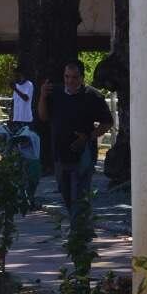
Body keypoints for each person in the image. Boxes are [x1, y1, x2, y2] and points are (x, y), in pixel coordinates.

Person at [36, 59, 114, 222]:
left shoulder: (93, 95)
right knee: (65, 192)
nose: (70, 81)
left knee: (80, 194)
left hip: (83, 154)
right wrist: (42, 96)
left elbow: (107, 122)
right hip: (60, 153)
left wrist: (89, 136)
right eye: (67, 77)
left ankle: (79, 232)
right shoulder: (55, 93)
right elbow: (43, 117)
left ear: (82, 78)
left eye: (74, 77)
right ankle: (79, 227)